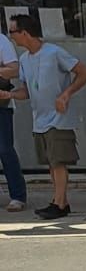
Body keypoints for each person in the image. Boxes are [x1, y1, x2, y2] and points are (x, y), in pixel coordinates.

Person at [0, 13, 86, 219]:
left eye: (13, 31)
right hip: (39, 119)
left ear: (25, 33)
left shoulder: (54, 52)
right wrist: (10, 94)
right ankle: (60, 201)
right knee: (51, 162)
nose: (11, 36)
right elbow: (26, 90)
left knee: (58, 162)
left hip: (58, 117)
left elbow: (84, 72)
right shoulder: (24, 59)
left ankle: (58, 204)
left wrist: (66, 94)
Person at [0, 18, 27, 211]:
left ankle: (18, 195)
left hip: (1, 104)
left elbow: (15, 69)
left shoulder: (2, 41)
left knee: (5, 149)